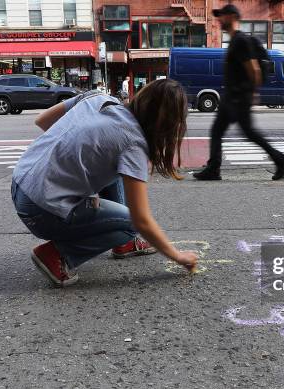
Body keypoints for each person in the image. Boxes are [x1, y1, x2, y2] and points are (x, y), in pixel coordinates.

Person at [11, 79, 198, 287]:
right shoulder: (134, 144)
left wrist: (76, 165)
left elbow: (43, 121)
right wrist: (177, 256)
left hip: (20, 183)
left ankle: (124, 244)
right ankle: (56, 255)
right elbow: (141, 220)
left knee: (113, 163)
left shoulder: (98, 98)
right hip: (41, 211)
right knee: (130, 225)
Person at [193, 4, 284, 181]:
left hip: (238, 97)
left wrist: (253, 93)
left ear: (231, 16)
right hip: (234, 96)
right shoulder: (235, 41)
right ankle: (214, 168)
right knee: (226, 131)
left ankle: (280, 159)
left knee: (243, 132)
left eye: (221, 16)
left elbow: (254, 69)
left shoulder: (240, 41)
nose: (219, 20)